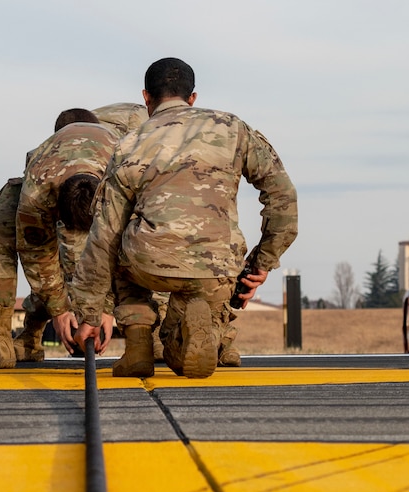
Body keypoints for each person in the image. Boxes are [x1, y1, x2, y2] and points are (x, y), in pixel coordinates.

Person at [57, 58, 296, 379]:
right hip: (218, 268)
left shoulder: (129, 144)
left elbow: (104, 235)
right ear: (193, 97)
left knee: (122, 256)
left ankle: (139, 346)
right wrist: (261, 264)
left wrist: (89, 313)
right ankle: (203, 323)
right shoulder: (233, 129)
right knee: (199, 302)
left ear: (146, 98)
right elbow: (282, 196)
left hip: (149, 265)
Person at [0, 102, 146, 368]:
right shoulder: (38, 189)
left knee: (138, 244)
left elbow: (120, 247)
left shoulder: (124, 175)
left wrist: (105, 311)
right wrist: (60, 312)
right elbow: (37, 257)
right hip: (47, 177)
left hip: (107, 180)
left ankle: (150, 335)